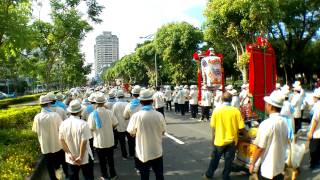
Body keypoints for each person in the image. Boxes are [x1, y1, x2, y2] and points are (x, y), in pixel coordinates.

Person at [203, 92, 247, 180]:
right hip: (232, 141)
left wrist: (213, 139)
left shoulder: (216, 110)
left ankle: (209, 175)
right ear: (231, 100)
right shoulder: (235, 111)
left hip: (219, 140)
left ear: (221, 99)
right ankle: (225, 176)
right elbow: (241, 127)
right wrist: (246, 135)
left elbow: (214, 128)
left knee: (215, 159)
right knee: (229, 160)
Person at [127, 89, 166, 180]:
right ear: (152, 101)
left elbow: (131, 132)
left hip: (143, 152)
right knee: (159, 175)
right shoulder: (159, 115)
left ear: (141, 102)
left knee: (144, 176)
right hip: (157, 150)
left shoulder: (136, 116)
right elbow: (163, 131)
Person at [249, 91, 288, 180]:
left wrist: (252, 163)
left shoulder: (266, 124)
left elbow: (260, 148)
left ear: (270, 106)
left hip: (268, 167)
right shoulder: (284, 121)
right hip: (279, 164)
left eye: (267, 104)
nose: (266, 106)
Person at [32, 95, 68, 180]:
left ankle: (54, 178)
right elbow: (62, 129)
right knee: (62, 161)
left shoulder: (37, 117)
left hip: (45, 146)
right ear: (49, 104)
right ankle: (66, 176)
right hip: (57, 144)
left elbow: (36, 131)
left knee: (49, 164)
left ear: (40, 105)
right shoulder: (55, 115)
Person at [59, 100, 94, 180]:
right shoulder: (83, 124)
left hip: (71, 157)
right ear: (80, 111)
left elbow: (61, 140)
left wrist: (68, 153)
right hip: (84, 156)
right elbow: (84, 141)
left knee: (73, 177)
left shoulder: (63, 124)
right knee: (88, 176)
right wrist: (80, 157)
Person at [88, 94, 119, 180]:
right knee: (110, 159)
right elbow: (116, 123)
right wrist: (110, 127)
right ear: (104, 102)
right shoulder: (109, 112)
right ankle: (113, 175)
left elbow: (90, 128)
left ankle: (104, 175)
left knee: (102, 160)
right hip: (109, 139)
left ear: (96, 103)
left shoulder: (92, 114)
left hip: (99, 141)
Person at [123, 85, 142, 174]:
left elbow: (125, 116)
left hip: (133, 129)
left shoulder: (129, 105)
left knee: (135, 147)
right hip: (143, 129)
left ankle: (138, 167)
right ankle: (147, 165)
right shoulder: (144, 103)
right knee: (144, 146)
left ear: (132, 94)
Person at [112, 91, 130, 160]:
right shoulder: (127, 104)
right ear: (123, 96)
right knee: (131, 140)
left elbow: (113, 115)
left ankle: (124, 156)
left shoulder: (115, 105)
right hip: (128, 125)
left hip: (119, 126)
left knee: (122, 142)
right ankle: (132, 153)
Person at [308, 88, 320, 169]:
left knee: (313, 149)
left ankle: (314, 164)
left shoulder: (318, 106)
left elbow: (315, 119)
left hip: (316, 132)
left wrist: (311, 132)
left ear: (316, 97)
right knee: (318, 149)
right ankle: (317, 162)